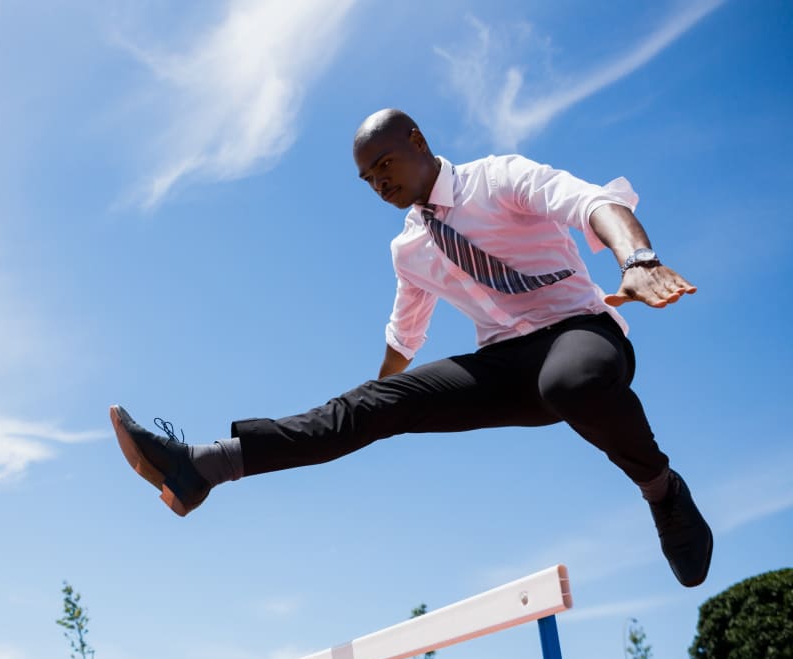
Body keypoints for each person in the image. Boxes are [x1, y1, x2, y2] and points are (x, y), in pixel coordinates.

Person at [110, 108, 712, 588]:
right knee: (371, 404)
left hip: (581, 336)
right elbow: (405, 335)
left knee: (569, 382)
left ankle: (663, 491)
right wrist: (378, 398)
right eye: (369, 180)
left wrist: (639, 259)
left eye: (385, 165)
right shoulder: (410, 248)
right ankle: (205, 464)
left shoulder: (497, 179)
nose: (380, 184)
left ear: (417, 140)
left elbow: (591, 203)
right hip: (505, 366)